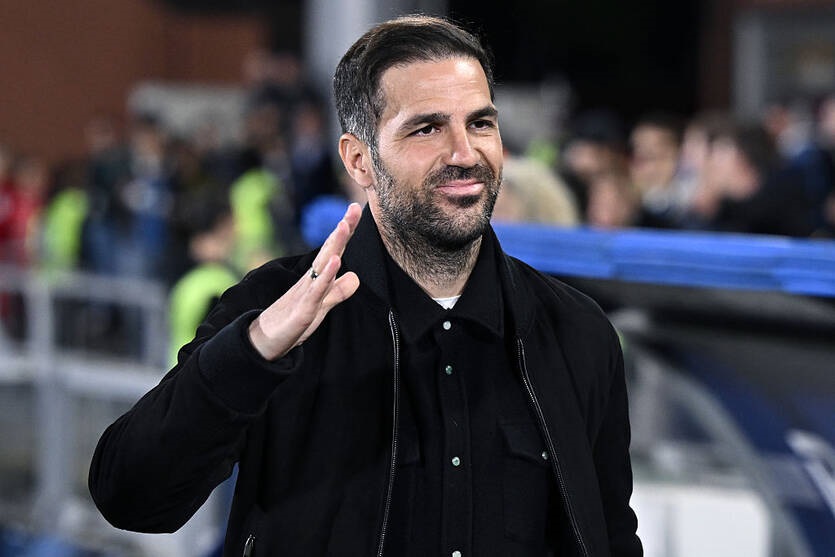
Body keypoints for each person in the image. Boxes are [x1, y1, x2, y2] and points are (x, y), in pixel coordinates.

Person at [89, 15, 642, 557]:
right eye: (426, 128)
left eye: (480, 123)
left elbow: (612, 536)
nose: (464, 153)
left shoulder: (577, 332)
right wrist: (252, 353)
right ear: (360, 160)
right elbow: (131, 497)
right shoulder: (277, 310)